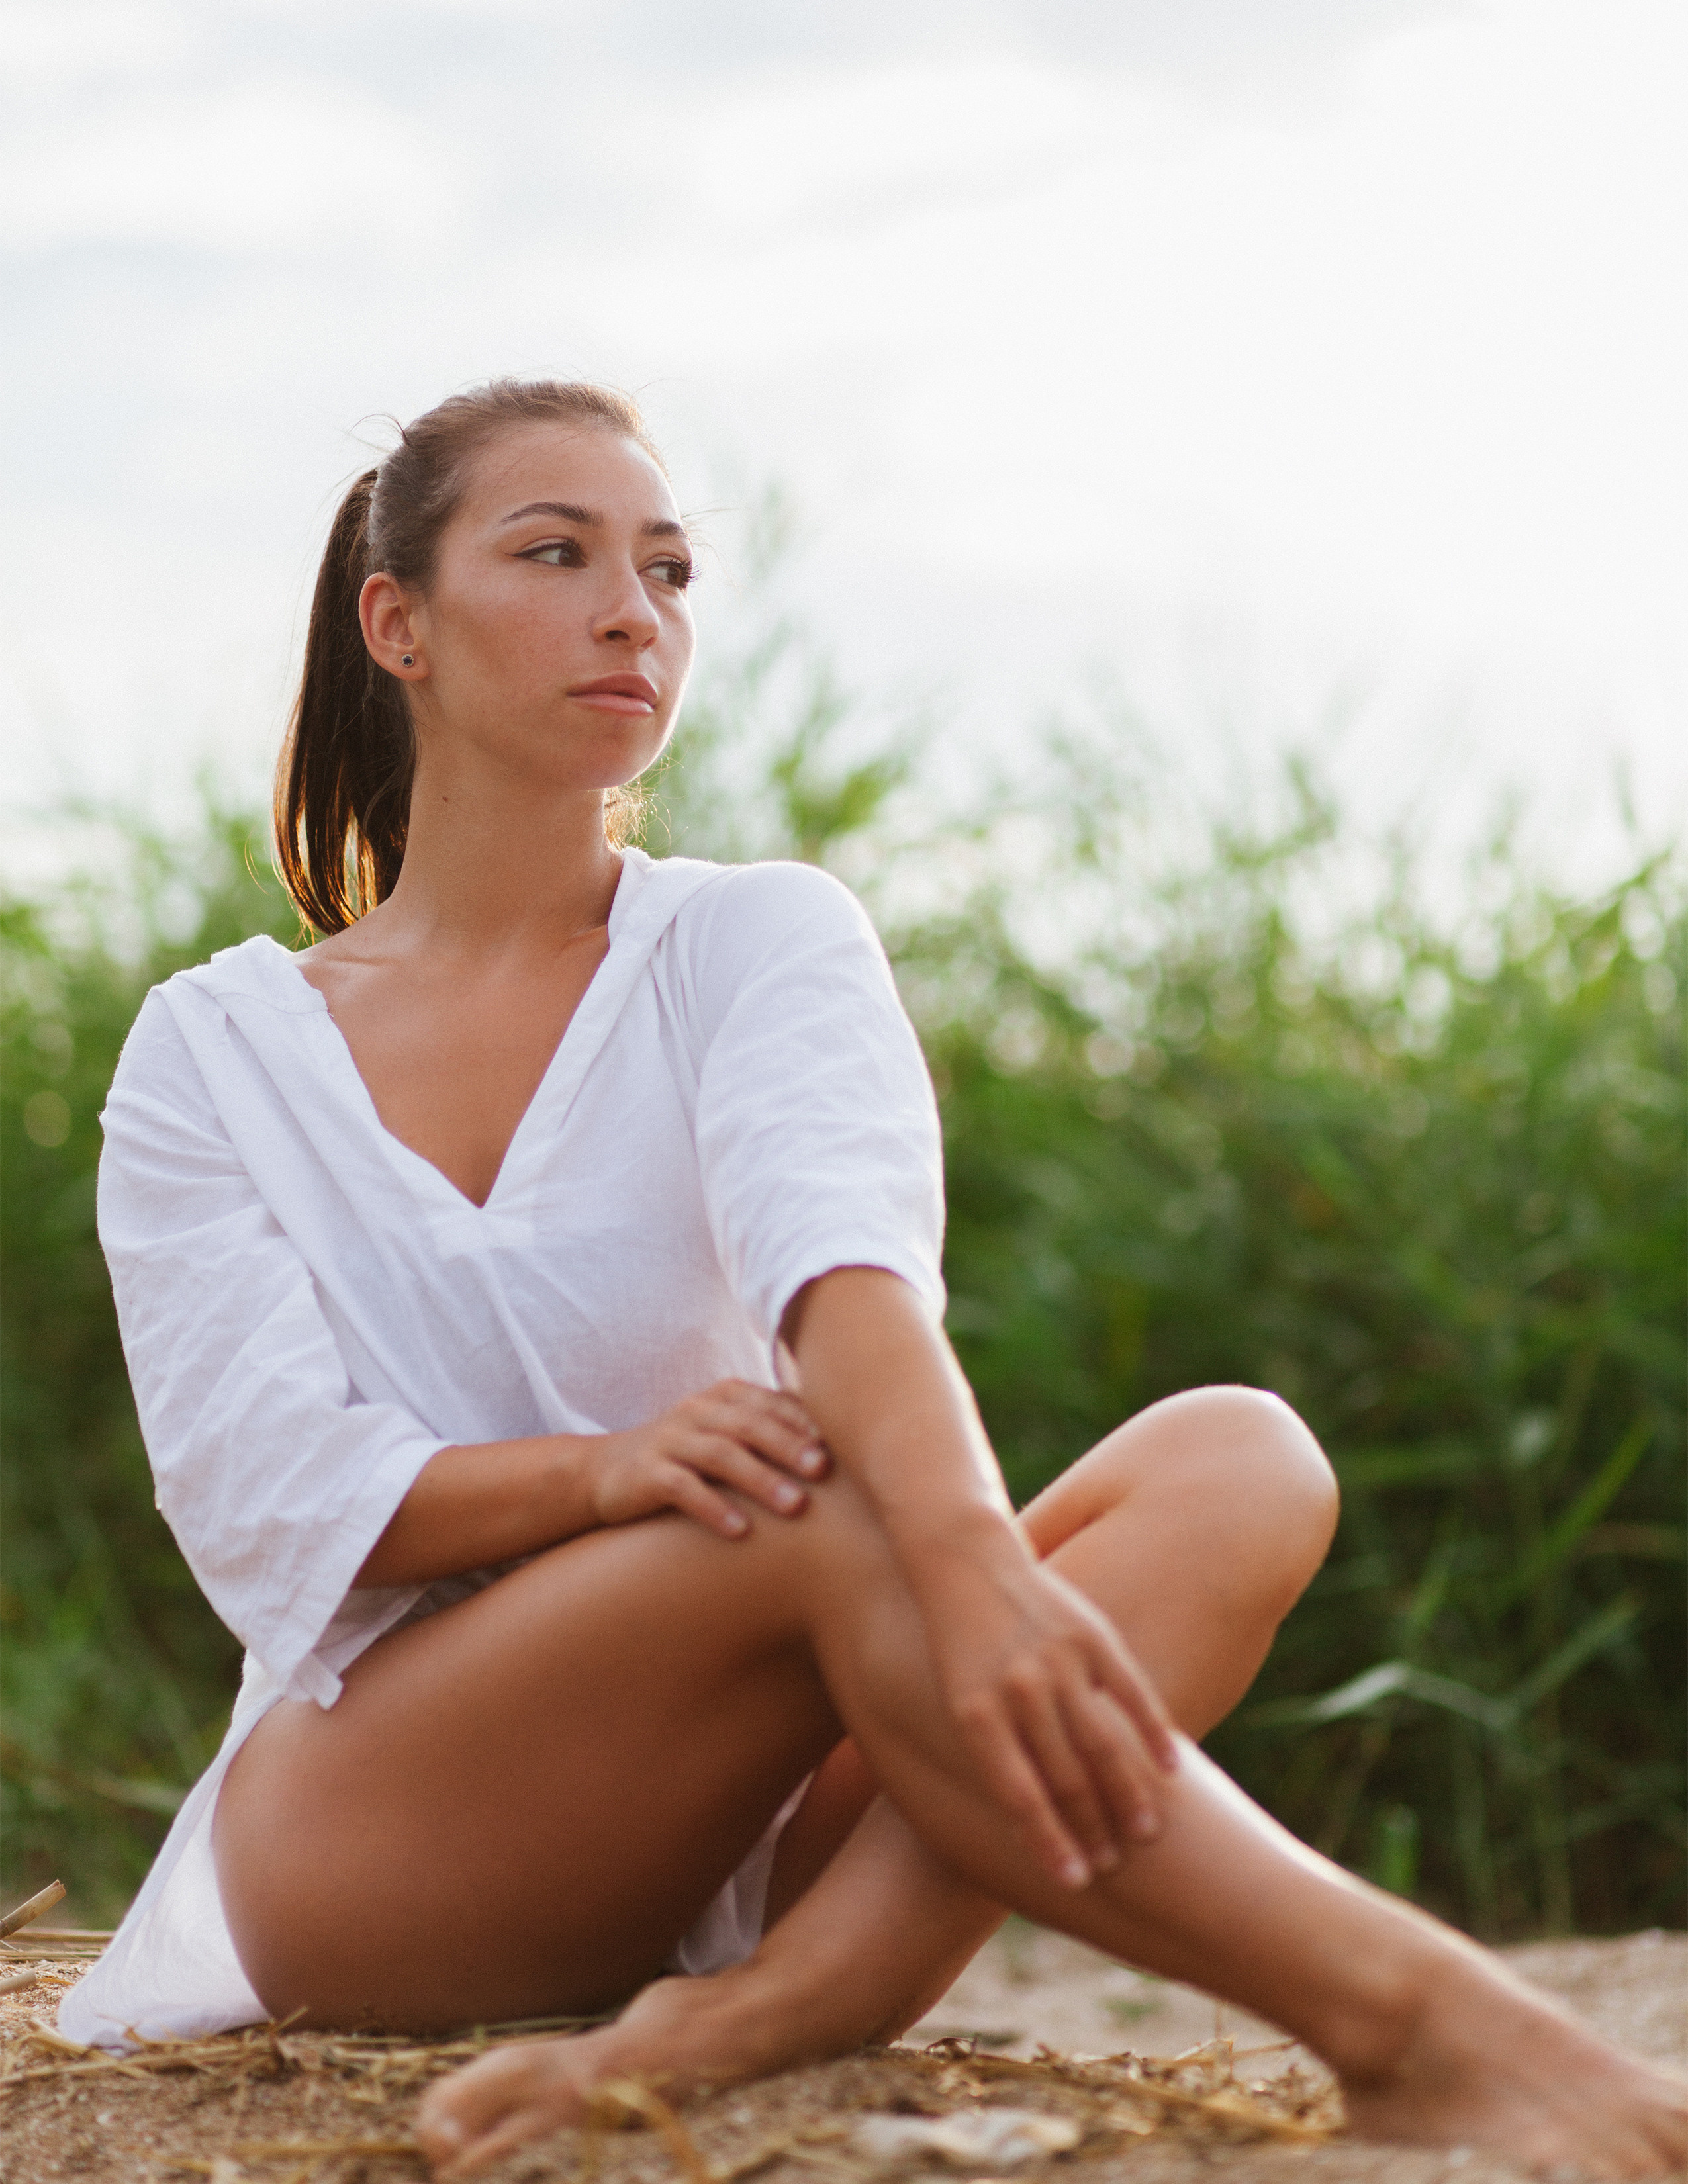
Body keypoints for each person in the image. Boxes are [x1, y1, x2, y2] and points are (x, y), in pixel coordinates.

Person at [65, 379, 1686, 2183]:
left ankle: (785, 1996)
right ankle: (1419, 2021)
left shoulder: (758, 936)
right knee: (817, 1490)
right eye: (558, 554)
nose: (636, 611)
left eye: (670, 570)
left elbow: (848, 1277)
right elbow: (267, 1501)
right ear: (400, 625)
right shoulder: (211, 1050)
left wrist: (978, 1557)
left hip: (746, 1813)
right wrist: (607, 1473)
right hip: (377, 1828)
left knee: (1243, 1455)